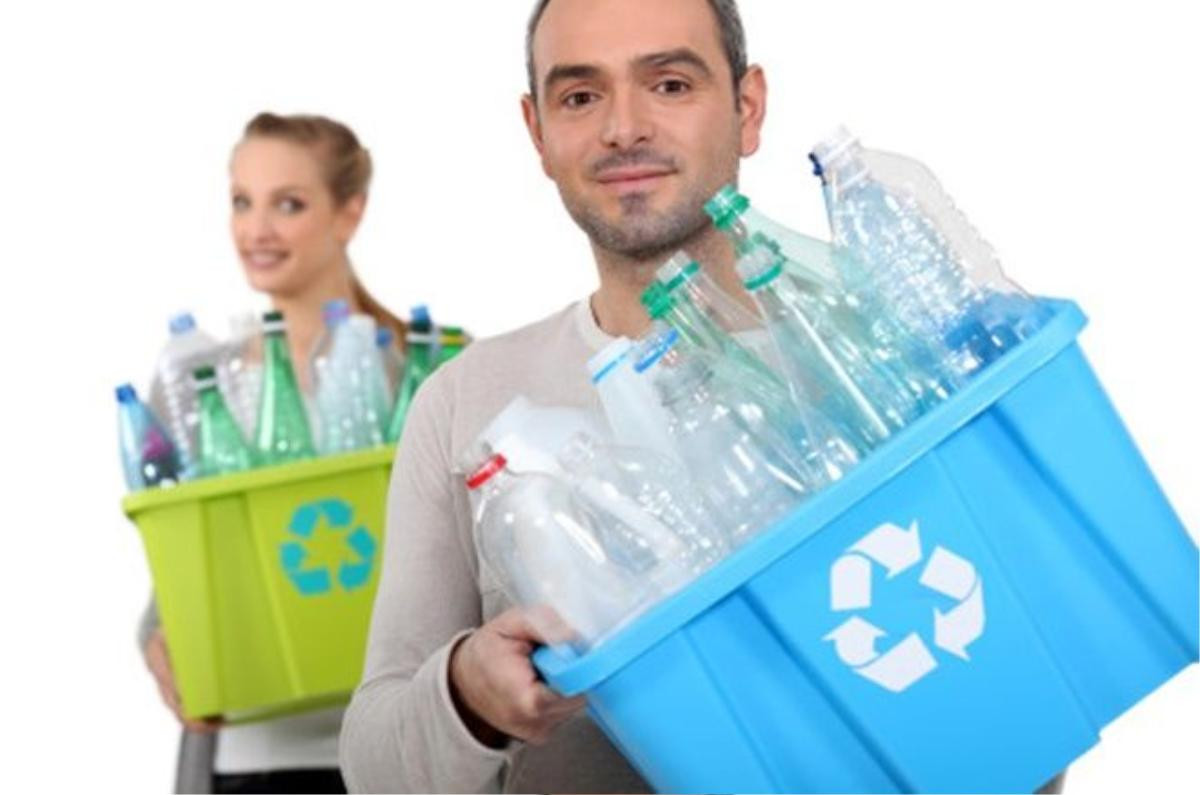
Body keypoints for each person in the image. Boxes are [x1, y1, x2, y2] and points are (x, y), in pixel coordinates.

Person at [339, 2, 1066, 793]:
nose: (624, 127)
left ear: (747, 108)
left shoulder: (880, 358)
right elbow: (373, 765)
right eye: (581, 97)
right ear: (537, 132)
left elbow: (1038, 695)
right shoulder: (466, 402)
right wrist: (468, 694)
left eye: (671, 83)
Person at [140, 111, 407, 794]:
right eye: (241, 201)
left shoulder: (421, 368)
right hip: (254, 758)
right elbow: (180, 560)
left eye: (288, 204)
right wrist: (157, 638)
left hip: (401, 748)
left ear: (349, 213)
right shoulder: (196, 381)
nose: (256, 229)